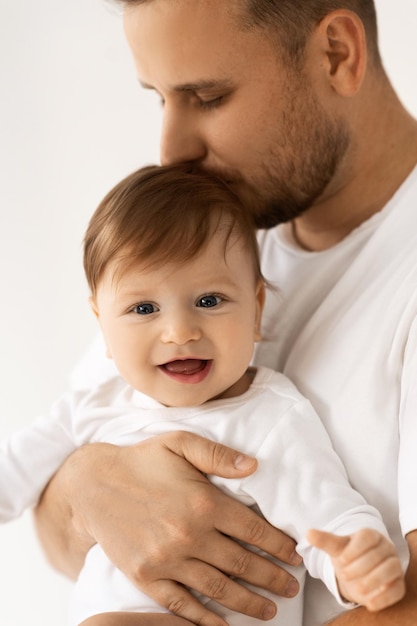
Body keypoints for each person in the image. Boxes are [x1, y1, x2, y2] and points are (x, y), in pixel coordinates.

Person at [33, 1, 417, 625]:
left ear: (336, 55)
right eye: (160, 98)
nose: (170, 150)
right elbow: (52, 534)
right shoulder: (207, 243)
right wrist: (90, 484)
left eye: (207, 97)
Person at [0, 164, 404, 625]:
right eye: (144, 308)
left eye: (209, 301)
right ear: (102, 326)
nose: (179, 332)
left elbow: (327, 513)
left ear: (256, 310)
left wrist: (357, 563)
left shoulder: (268, 417)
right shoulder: (93, 405)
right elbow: (12, 474)